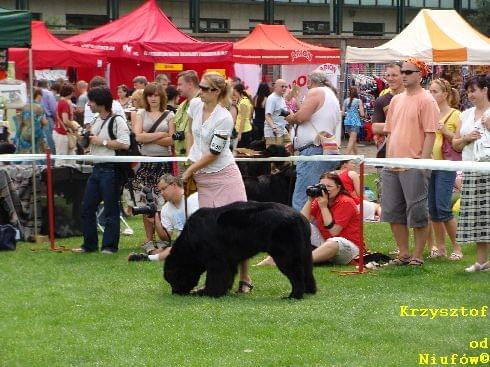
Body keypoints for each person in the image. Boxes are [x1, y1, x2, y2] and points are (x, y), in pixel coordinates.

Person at [182, 71, 252, 294]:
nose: (200, 91)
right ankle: (214, 281)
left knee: (237, 229)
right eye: (200, 87)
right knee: (210, 232)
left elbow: (214, 152)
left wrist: (191, 169)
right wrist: (190, 155)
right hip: (204, 178)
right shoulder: (194, 105)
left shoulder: (224, 117)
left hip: (224, 175)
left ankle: (245, 278)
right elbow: (189, 130)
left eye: (204, 88)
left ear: (216, 91)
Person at [381, 58, 438, 266]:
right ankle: (403, 253)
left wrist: (422, 164)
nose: (403, 75)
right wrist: (388, 161)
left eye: (408, 72)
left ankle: (418, 255)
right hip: (392, 164)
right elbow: (389, 133)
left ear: (420, 75)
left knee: (417, 211)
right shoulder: (395, 100)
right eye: (402, 71)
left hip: (414, 163)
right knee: (392, 211)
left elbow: (430, 134)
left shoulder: (427, 100)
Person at [256, 171, 361, 266]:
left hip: (348, 248)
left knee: (335, 242)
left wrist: (323, 207)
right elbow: (300, 220)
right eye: (322, 186)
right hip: (326, 243)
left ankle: (297, 261)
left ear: (338, 187)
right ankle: (271, 259)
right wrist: (310, 200)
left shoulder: (346, 202)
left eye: (329, 186)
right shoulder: (319, 200)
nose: (325, 190)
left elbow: (334, 231)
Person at [72, 87, 130, 254]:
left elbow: (125, 143)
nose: (88, 104)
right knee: (87, 207)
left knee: (111, 210)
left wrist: (101, 142)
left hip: (111, 170)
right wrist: (84, 138)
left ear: (101, 103)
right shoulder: (96, 119)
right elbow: (90, 141)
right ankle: (89, 245)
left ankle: (109, 246)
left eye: (91, 101)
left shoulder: (117, 120)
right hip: (97, 169)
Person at [285, 70, 342, 211]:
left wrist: (289, 117)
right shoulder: (331, 95)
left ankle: (304, 232)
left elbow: (301, 117)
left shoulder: (316, 92)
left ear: (310, 82)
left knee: (303, 199)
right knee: (319, 198)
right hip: (325, 149)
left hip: (313, 152)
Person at [130, 82, 175, 254]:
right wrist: (160, 135)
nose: (153, 98)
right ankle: (149, 240)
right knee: (146, 202)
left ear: (161, 96)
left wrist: (148, 137)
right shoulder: (140, 113)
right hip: (146, 163)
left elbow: (171, 140)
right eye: (150, 95)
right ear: (146, 97)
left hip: (163, 163)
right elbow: (138, 137)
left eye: (156, 95)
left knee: (164, 202)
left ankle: (164, 238)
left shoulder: (169, 114)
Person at [452, 74, 490, 272]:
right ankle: (481, 262)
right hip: (472, 169)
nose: (470, 95)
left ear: (485, 90)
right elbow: (455, 144)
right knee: (477, 217)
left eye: (474, 90)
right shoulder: (465, 115)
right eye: (468, 91)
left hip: (489, 169)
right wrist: (467, 138)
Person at [427, 78, 463, 261]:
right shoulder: (429, 113)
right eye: (430, 91)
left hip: (446, 165)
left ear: (445, 94)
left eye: (435, 91)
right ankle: (440, 248)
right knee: (432, 209)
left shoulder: (456, 115)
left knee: (443, 207)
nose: (431, 95)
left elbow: (459, 143)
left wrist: (444, 130)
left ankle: (457, 247)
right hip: (429, 164)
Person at [127, 174, 199, 261]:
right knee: (170, 248)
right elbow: (166, 237)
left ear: (174, 185)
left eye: (164, 189)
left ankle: (149, 257)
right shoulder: (166, 209)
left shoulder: (194, 197)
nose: (161, 193)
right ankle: (151, 255)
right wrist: (156, 220)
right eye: (160, 190)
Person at [173, 70, 200, 158]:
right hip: (182, 158)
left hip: (196, 159)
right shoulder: (182, 105)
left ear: (190, 84)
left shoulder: (203, 103)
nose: (177, 88)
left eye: (180, 84)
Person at [14, 88, 48, 154]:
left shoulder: (25, 106)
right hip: (36, 133)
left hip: (25, 133)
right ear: (39, 95)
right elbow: (43, 121)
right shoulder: (39, 107)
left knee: (26, 152)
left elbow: (21, 122)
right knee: (38, 153)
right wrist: (47, 122)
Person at [53, 84, 78, 165]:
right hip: (62, 133)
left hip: (61, 132)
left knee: (67, 156)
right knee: (62, 158)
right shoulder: (64, 103)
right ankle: (61, 175)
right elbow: (65, 120)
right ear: (70, 93)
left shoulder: (60, 101)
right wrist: (74, 126)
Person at [264, 79, 289, 147]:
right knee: (273, 154)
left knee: (286, 150)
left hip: (282, 130)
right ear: (276, 87)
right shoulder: (272, 98)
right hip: (273, 132)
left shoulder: (281, 97)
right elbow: (267, 115)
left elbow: (281, 113)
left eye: (286, 87)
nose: (284, 88)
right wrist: (273, 127)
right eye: (282, 86)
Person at [342, 86, 365, 155]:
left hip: (347, 122)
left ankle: (356, 156)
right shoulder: (358, 101)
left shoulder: (345, 100)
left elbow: (343, 113)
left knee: (353, 140)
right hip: (355, 122)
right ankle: (346, 156)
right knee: (352, 140)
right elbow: (362, 114)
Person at [37, 79, 57, 153]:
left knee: (39, 139)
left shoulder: (33, 93)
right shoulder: (49, 93)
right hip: (47, 118)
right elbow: (53, 109)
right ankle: (51, 159)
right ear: (47, 85)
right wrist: (55, 119)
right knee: (50, 139)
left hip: (35, 119)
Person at [233, 83, 254, 148]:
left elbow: (243, 119)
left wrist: (240, 134)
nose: (234, 93)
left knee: (242, 150)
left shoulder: (243, 102)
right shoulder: (242, 100)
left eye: (234, 92)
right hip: (241, 129)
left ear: (237, 91)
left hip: (244, 130)